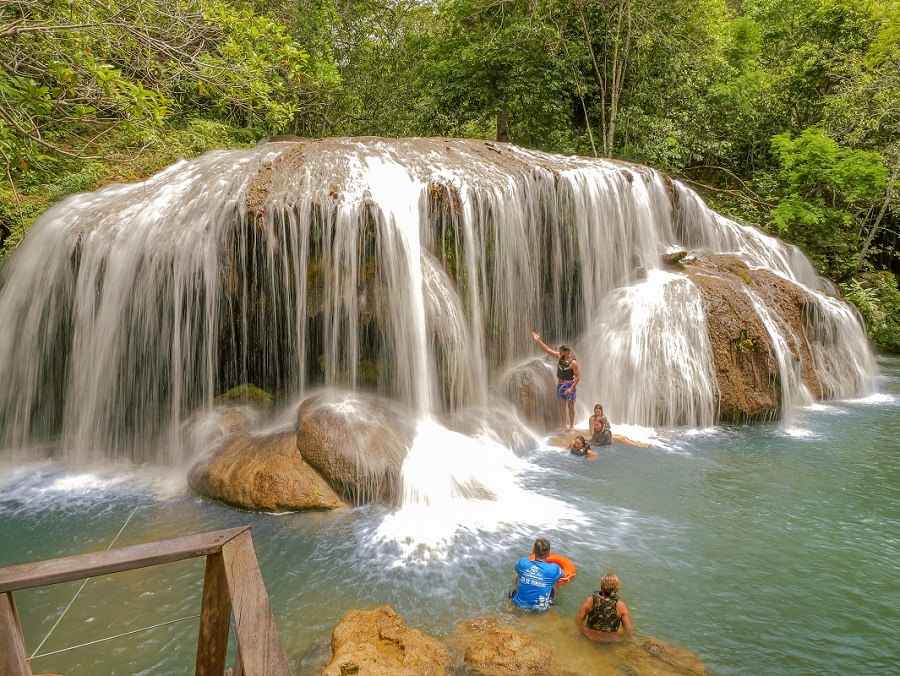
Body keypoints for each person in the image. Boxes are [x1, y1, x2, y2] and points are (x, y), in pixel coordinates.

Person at [532, 331, 580, 433]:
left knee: (570, 406)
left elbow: (578, 377)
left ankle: (571, 426)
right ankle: (564, 425)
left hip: (569, 384)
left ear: (566, 352)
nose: (559, 352)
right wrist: (538, 340)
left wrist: (571, 388)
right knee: (562, 405)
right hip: (560, 385)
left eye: (561, 351)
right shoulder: (559, 357)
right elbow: (547, 349)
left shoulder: (573, 363)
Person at [575, 573, 633, 642]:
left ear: (601, 586)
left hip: (590, 637)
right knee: (620, 630)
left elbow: (578, 621)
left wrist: (580, 632)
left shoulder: (590, 601)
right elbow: (628, 629)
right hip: (610, 640)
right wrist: (630, 638)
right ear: (617, 588)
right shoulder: (621, 605)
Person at [510, 538, 563, 611]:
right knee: (555, 577)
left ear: (533, 551)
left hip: (518, 604)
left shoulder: (523, 562)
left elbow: (517, 570)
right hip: (540, 608)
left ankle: (518, 589)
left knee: (520, 572)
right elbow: (563, 575)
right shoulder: (553, 569)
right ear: (549, 554)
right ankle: (550, 599)